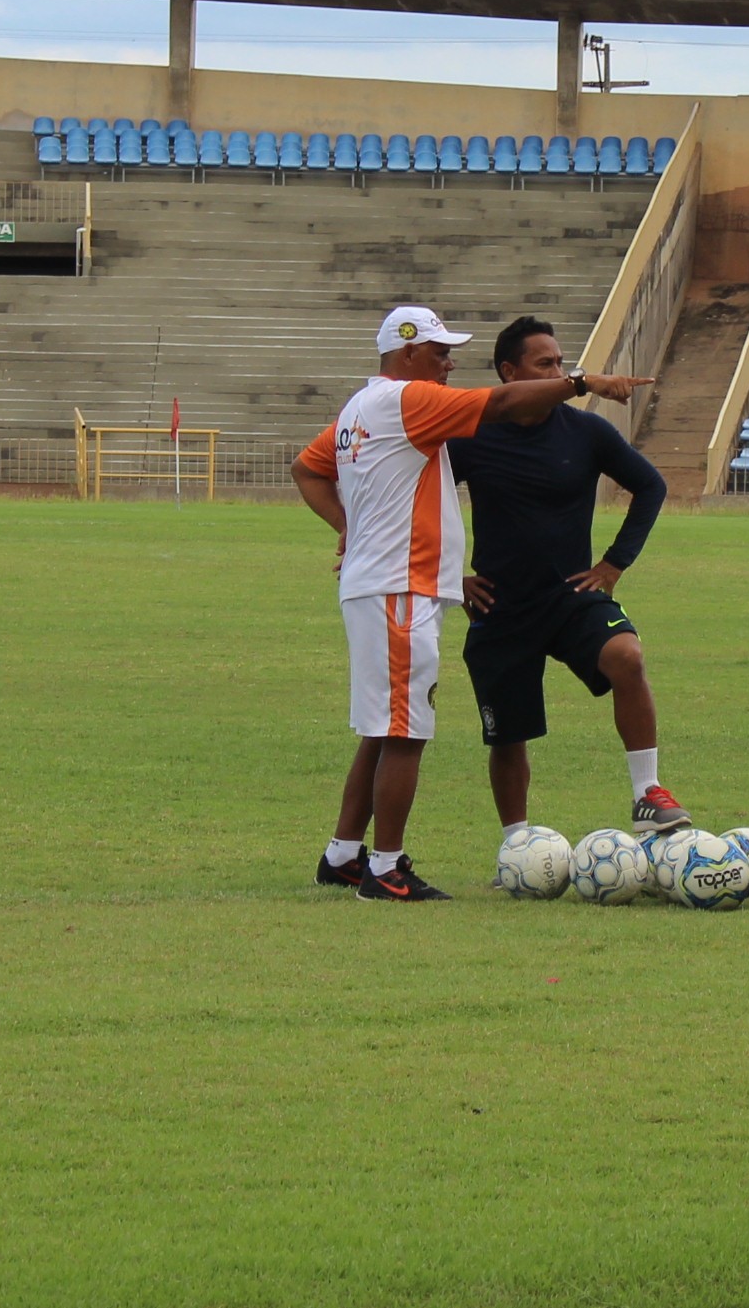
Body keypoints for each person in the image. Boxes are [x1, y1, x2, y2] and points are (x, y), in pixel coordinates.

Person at [294, 305, 639, 900]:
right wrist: (583, 383)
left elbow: (307, 468)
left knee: (382, 727)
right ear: (407, 355)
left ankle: (344, 854)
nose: (450, 361)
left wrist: (348, 530)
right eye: (439, 351)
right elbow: (504, 405)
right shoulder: (409, 400)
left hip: (381, 585)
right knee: (404, 731)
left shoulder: (359, 407)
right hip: (401, 589)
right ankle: (384, 869)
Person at [451, 316, 688, 843]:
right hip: (501, 606)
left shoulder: (586, 432)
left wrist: (613, 564)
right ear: (510, 373)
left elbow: (650, 486)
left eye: (561, 362)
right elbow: (422, 501)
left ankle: (647, 793)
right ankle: (517, 845)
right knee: (507, 737)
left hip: (571, 597)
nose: (560, 372)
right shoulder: (472, 435)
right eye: (546, 365)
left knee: (627, 655)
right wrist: (452, 577)